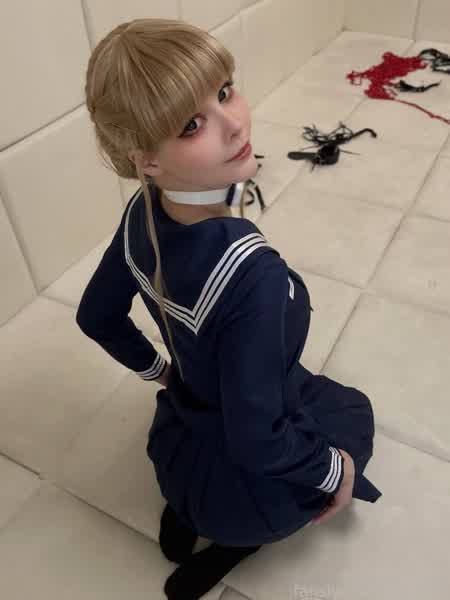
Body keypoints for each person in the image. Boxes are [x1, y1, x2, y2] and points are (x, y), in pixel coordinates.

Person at [76, 18, 382, 600]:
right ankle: (236, 539)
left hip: (184, 429)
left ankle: (186, 512)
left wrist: (166, 374)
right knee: (353, 415)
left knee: (209, 474)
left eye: (224, 91)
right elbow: (258, 440)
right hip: (248, 468)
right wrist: (336, 471)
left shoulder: (141, 215)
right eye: (192, 125)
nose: (235, 123)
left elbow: (96, 316)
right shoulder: (253, 274)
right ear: (147, 160)